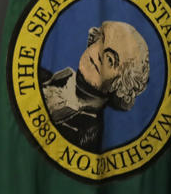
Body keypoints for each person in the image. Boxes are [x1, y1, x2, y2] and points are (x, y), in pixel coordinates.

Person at [40, 20, 149, 152]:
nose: (99, 55)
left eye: (110, 60)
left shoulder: (86, 137)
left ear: (120, 85)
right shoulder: (40, 75)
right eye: (102, 42)